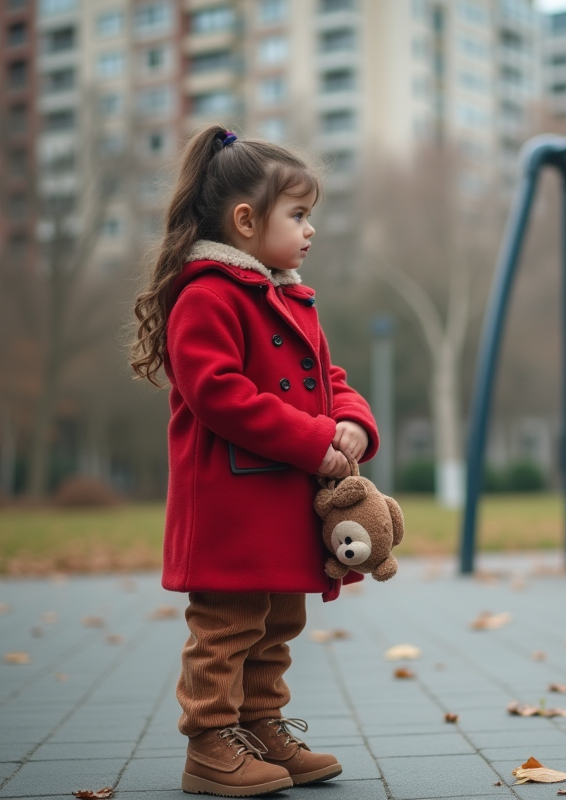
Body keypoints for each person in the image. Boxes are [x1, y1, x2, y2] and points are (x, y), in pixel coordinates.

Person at [130, 126, 378, 797]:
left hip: (281, 501)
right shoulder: (207, 295)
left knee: (278, 621)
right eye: (298, 215)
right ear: (245, 220)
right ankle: (211, 741)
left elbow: (331, 375)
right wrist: (311, 440)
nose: (311, 230)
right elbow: (221, 395)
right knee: (227, 625)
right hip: (231, 505)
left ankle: (261, 724)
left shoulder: (288, 295)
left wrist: (352, 421)